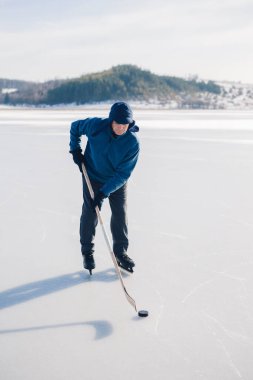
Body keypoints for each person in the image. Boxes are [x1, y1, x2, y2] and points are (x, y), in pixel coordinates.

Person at [69, 101, 140, 273]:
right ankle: (87, 252)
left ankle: (121, 252)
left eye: (125, 124)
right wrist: (75, 150)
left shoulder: (132, 143)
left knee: (120, 212)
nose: (121, 128)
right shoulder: (96, 126)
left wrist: (104, 192)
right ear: (111, 120)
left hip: (116, 181)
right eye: (118, 123)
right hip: (92, 176)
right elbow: (75, 127)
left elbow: (123, 174)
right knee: (90, 212)